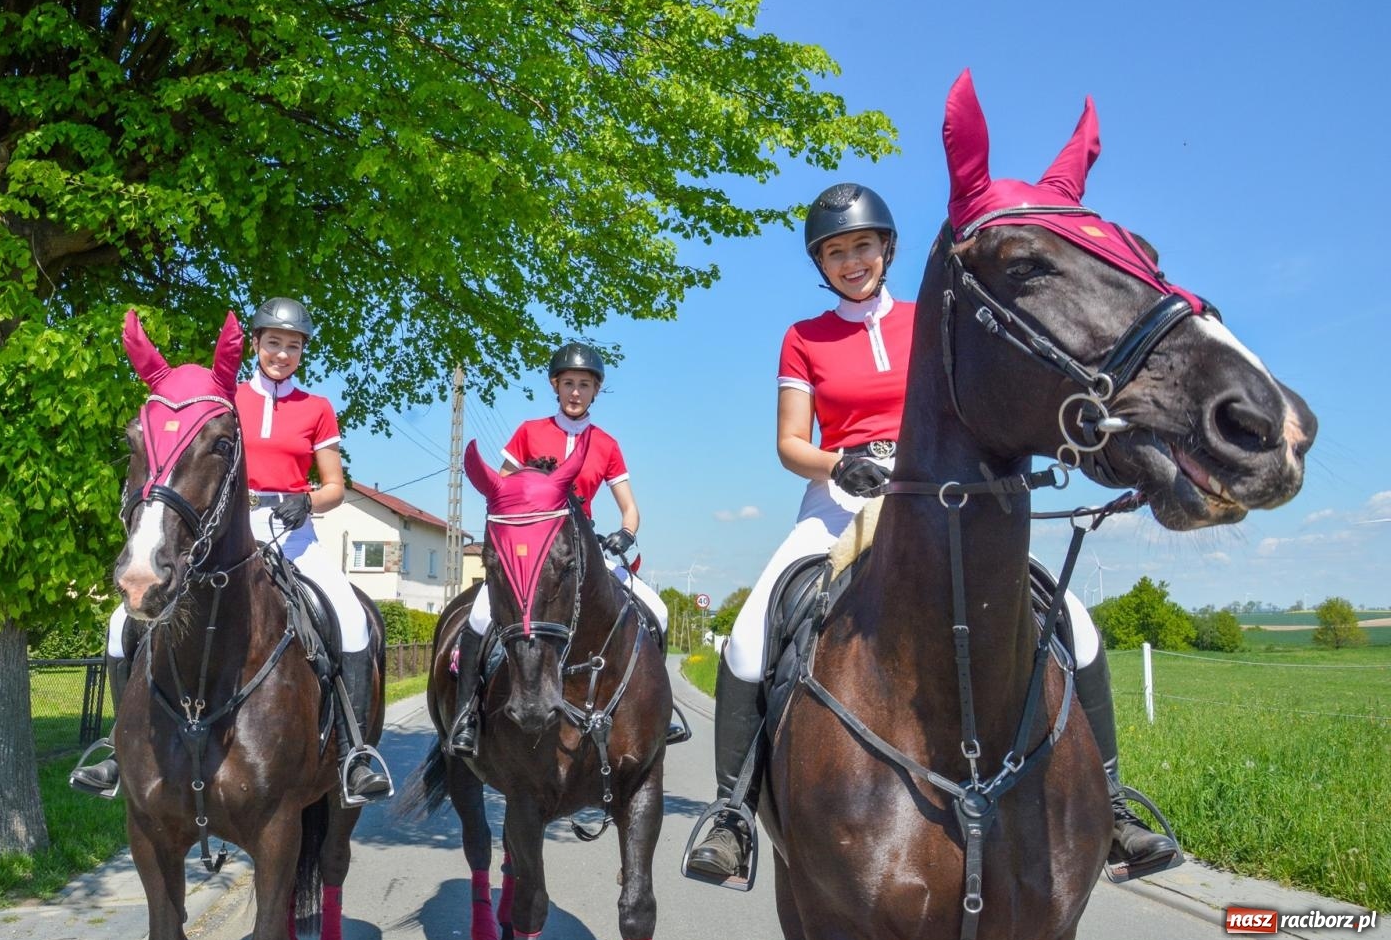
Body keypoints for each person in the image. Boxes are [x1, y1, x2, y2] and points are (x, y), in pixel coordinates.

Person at [683, 183, 1180, 886]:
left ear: (886, 248)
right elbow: (791, 444)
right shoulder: (805, 338)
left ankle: (1115, 805)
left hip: (946, 495)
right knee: (750, 633)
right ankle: (733, 815)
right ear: (820, 264)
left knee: (1074, 620)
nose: (850, 261)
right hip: (840, 497)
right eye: (834, 252)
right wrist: (840, 464)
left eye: (861, 246)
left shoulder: (933, 315)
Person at [72, 297, 391, 805]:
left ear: (302, 352)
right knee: (119, 624)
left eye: (292, 347)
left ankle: (354, 754)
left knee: (351, 618)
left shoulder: (316, 408)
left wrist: (304, 500)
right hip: (222, 529)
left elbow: (335, 486)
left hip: (291, 530)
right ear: (258, 345)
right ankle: (117, 746)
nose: (281, 355)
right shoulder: (227, 398)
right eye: (273, 344)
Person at [447, 341, 678, 756]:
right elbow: (500, 493)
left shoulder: (605, 443)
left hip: (583, 547)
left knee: (654, 609)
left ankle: (659, 710)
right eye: (568, 383)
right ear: (555, 386)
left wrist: (625, 533)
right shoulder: (529, 432)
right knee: (481, 614)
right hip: (532, 548)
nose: (576, 392)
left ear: (595, 391)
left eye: (584, 385)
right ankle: (466, 715)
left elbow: (630, 509)